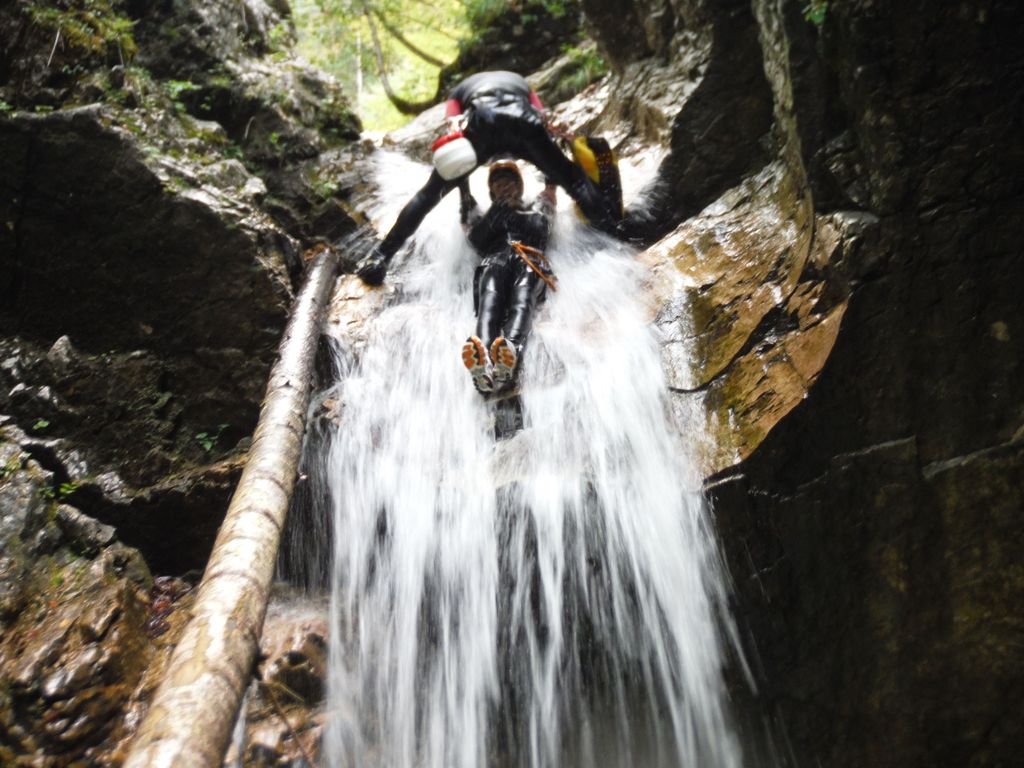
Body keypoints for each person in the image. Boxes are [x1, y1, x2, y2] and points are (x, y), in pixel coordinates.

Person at [356, 70, 617, 285]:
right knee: (577, 182)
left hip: (482, 126)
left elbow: (454, 128)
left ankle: (380, 258)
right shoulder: (521, 83)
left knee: (428, 195)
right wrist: (555, 170)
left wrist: (464, 196)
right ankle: (611, 234)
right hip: (524, 124)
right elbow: (543, 118)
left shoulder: (459, 92)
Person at [459, 160, 557, 395]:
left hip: (529, 259)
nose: (504, 187)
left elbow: (543, 227)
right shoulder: (487, 216)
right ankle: (483, 361)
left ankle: (510, 354)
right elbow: (475, 240)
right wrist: (496, 210)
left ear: (519, 187)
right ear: (492, 192)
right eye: (499, 184)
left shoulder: (535, 207)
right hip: (495, 261)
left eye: (509, 183)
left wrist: (520, 210)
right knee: (489, 304)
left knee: (523, 300)